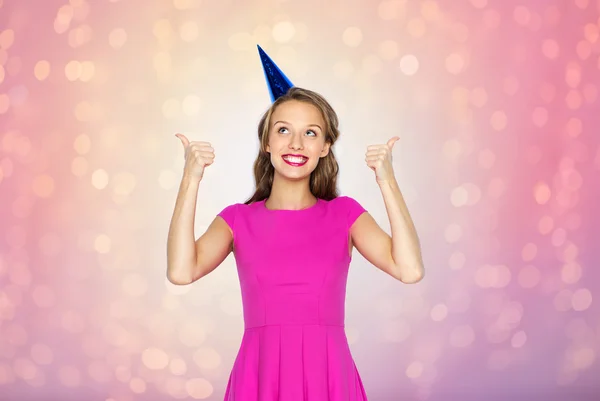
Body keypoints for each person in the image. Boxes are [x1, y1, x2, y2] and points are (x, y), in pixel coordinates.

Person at [166, 46, 424, 401]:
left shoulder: (345, 215)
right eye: (284, 130)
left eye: (311, 133)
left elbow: (409, 269)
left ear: (325, 147)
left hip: (329, 375)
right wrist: (191, 178)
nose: (296, 144)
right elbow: (182, 271)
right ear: (267, 143)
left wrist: (387, 181)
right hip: (259, 376)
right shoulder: (237, 221)